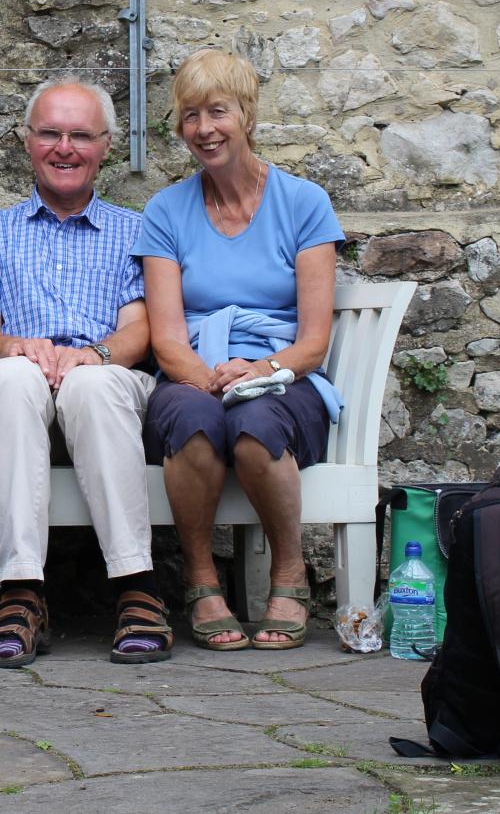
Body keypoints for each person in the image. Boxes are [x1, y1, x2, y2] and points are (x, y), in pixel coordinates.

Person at [134, 49, 345, 651]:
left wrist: (258, 371)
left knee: (256, 423)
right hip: (193, 369)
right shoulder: (166, 211)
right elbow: (167, 337)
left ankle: (289, 570)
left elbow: (312, 340)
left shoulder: (303, 203)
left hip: (281, 374)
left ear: (247, 114)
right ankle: (201, 580)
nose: (204, 130)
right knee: (194, 421)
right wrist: (207, 378)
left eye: (218, 112)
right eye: (190, 116)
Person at [0, 80, 173, 668]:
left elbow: (138, 331)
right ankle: (21, 594)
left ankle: (137, 589)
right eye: (50, 133)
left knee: (92, 384)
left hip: (105, 380)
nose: (65, 147)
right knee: (8, 377)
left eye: (81, 135)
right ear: (26, 142)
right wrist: (16, 347)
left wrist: (96, 355)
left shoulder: (134, 231)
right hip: (20, 389)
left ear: (105, 146)